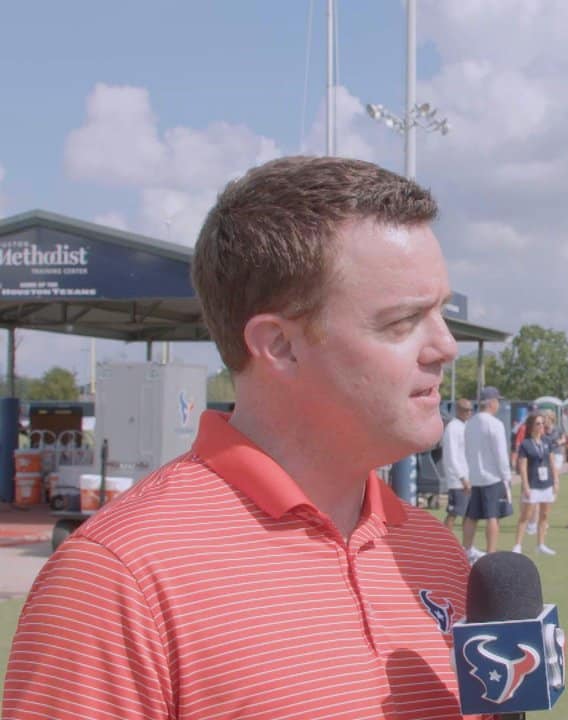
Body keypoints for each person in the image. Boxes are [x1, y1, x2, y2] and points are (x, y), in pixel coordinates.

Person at [4, 156, 472, 719]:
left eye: (441, 312)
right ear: (279, 346)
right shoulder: (120, 576)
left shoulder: (434, 551)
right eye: (403, 321)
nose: (446, 346)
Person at [463, 385, 512, 561]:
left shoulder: (470, 423)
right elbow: (500, 453)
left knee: (472, 515)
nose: (498, 404)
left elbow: (466, 450)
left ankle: (467, 549)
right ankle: (491, 552)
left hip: (475, 476)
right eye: (497, 400)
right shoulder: (495, 424)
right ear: (491, 403)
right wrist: (506, 476)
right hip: (492, 477)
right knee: (493, 516)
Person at [512, 413, 561, 555]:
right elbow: (522, 466)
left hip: (547, 484)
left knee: (544, 515)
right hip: (533, 485)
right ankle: (518, 545)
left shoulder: (547, 441)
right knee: (525, 516)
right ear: (531, 426)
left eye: (542, 423)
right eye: (538, 424)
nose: (541, 426)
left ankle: (541, 545)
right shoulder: (526, 444)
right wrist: (525, 485)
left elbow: (552, 462)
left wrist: (556, 481)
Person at [440, 398, 472, 530]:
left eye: (471, 410)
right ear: (458, 410)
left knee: (469, 513)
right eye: (466, 410)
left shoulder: (465, 426)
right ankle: (443, 543)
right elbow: (451, 456)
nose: (469, 413)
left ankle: (467, 546)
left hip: (468, 477)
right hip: (457, 480)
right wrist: (462, 478)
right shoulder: (452, 428)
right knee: (454, 513)